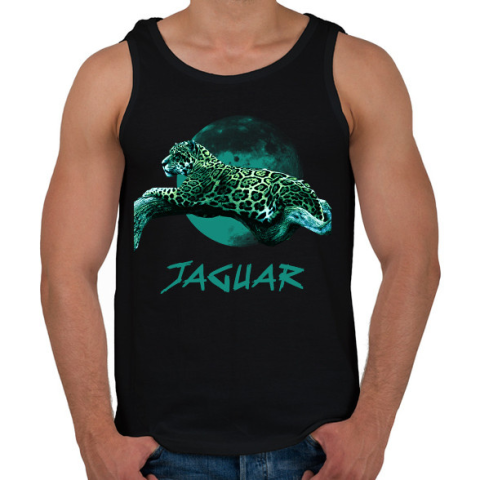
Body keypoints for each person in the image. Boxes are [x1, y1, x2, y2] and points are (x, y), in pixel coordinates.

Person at [40, 1, 440, 479]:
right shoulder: (111, 76)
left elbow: (413, 258)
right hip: (158, 453)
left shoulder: (357, 70)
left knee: (278, 216)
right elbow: (66, 268)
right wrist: (94, 437)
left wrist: (373, 425)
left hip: (319, 449)